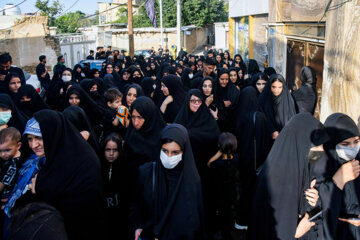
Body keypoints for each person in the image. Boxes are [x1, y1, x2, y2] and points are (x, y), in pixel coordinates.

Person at [5, 110, 106, 239]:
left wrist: (40, 189)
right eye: (29, 139)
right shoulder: (40, 159)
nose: (33, 145)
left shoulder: (85, 163)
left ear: (53, 134)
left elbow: (83, 205)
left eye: (39, 138)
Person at [249, 113, 329, 240]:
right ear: (302, 143)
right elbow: (271, 226)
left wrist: (315, 200)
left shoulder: (298, 163)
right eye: (317, 146)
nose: (321, 151)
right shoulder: (276, 177)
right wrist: (294, 233)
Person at [130, 124, 206, 240]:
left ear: (184, 152)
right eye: (165, 151)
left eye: (175, 153)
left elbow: (193, 222)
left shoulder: (191, 182)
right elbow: (137, 206)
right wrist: (138, 226)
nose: (168, 157)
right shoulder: (146, 173)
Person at [312, 113, 360, 240]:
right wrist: (339, 179)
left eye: (356, 141)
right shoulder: (320, 166)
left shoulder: (358, 161)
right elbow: (317, 207)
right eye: (345, 144)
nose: (352, 148)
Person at [234, 86, 272, 230]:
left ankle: (240, 220)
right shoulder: (260, 116)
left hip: (242, 160)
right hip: (257, 162)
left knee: (244, 190)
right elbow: (265, 142)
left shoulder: (239, 114)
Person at [207, 132, 240, 240]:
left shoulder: (216, 165)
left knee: (222, 217)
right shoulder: (236, 158)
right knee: (228, 217)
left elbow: (209, 163)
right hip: (232, 194)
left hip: (219, 195)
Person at [101, 133, 131, 239]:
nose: (111, 154)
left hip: (120, 217)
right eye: (108, 150)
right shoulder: (99, 166)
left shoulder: (125, 167)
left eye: (115, 150)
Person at [258, 74, 296, 140]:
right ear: (269, 86)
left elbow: (292, 118)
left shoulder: (287, 99)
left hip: (285, 138)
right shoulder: (263, 99)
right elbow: (262, 118)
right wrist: (272, 130)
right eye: (274, 87)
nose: (276, 90)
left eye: (280, 87)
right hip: (267, 138)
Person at [214, 68, 240, 133]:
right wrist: (222, 103)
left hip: (230, 123)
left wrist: (220, 106)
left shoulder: (233, 89)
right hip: (216, 124)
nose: (224, 81)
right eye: (222, 79)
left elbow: (234, 105)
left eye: (226, 79)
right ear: (218, 78)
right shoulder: (214, 87)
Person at [0, 127, 22, 200]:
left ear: (18, 146)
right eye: (0, 151)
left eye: (7, 150)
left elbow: (3, 183)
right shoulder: (9, 158)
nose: (3, 154)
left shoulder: (14, 164)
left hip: (6, 195)